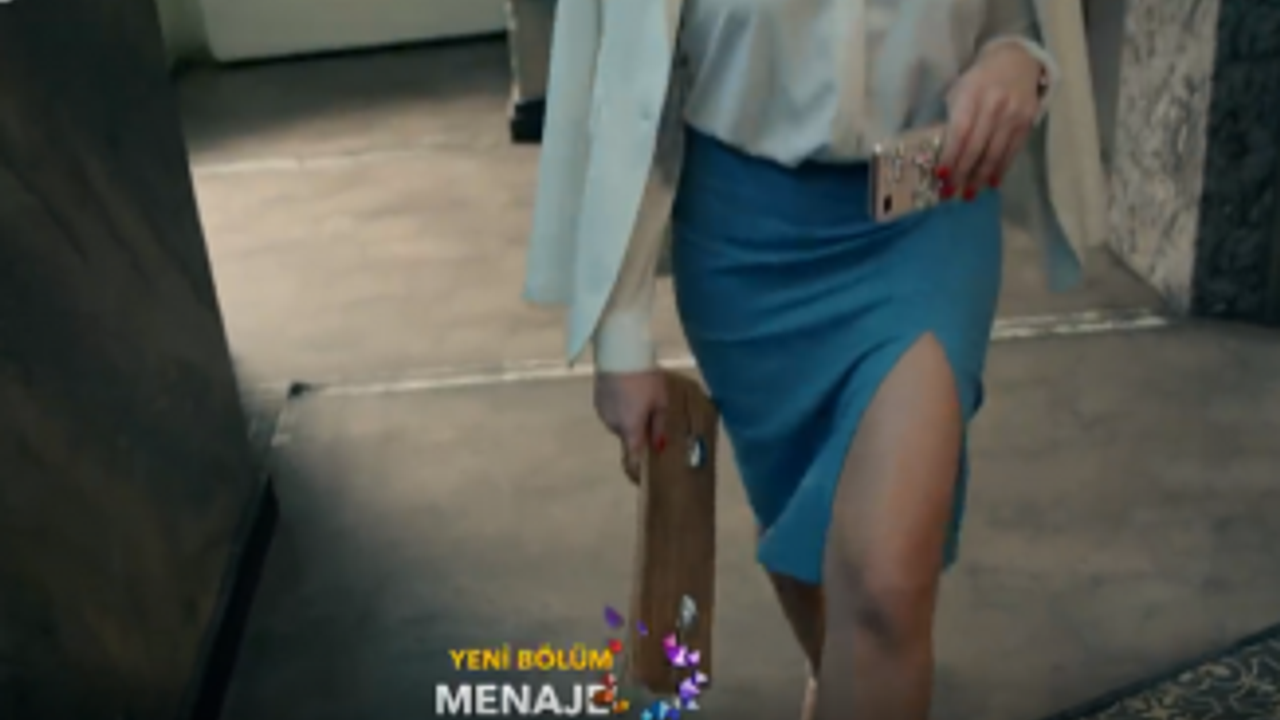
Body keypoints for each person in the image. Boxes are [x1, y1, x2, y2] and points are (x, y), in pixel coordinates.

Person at [524, 1, 1100, 718]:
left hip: (926, 216)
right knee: (822, 585)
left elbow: (1024, 20)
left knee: (887, 590)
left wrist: (1021, 61)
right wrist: (619, 331)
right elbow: (627, 64)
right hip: (745, 241)